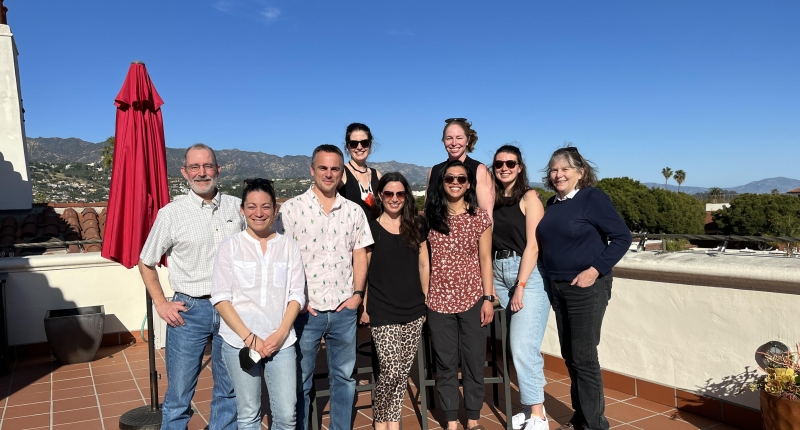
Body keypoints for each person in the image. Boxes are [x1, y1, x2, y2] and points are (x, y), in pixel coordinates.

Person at [138, 143, 242, 430]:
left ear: (218, 169)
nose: (201, 173)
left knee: (229, 388)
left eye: (207, 166)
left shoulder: (238, 207)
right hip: (189, 310)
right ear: (184, 172)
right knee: (179, 394)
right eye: (194, 167)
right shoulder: (171, 214)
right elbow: (145, 261)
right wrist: (161, 302)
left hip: (232, 308)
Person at [275, 144, 373, 430]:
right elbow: (282, 259)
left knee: (344, 378)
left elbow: (360, 254)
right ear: (312, 170)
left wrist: (357, 296)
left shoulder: (353, 211)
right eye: (323, 168)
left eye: (334, 169)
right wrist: (297, 300)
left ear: (342, 173)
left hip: (344, 309)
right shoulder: (292, 210)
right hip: (307, 311)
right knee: (301, 380)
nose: (329, 174)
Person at [537, 146, 632, 430]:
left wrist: (594, 271)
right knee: (570, 354)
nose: (558, 174)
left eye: (565, 169)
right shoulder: (551, 203)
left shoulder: (592, 198)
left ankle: (594, 424)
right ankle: (581, 415)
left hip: (586, 288)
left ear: (581, 172)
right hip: (558, 287)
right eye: (554, 169)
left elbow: (622, 237)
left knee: (584, 357)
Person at [210, 178, 306, 430]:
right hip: (239, 341)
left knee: (286, 416)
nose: (259, 213)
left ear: (276, 210)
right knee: (249, 414)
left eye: (266, 207)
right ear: (242, 210)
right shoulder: (230, 247)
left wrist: (281, 332)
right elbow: (221, 298)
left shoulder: (289, 247)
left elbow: (297, 295)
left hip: (281, 342)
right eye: (252, 206)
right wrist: (250, 338)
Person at [425, 160, 495, 430]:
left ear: (469, 184)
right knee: (445, 363)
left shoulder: (479, 218)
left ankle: (474, 419)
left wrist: (487, 298)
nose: (455, 183)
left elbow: (485, 258)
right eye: (449, 178)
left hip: (472, 298)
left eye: (461, 179)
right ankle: (452, 420)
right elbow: (423, 260)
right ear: (441, 182)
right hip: (438, 301)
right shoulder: (430, 217)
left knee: (474, 361)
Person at [360, 172, 429, 430]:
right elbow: (364, 269)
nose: (394, 198)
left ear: (406, 196)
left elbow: (424, 264)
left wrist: (424, 300)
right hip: (382, 308)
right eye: (389, 193)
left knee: (401, 373)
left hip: (413, 308)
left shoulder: (417, 226)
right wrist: (364, 305)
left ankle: (393, 423)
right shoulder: (370, 228)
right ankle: (381, 422)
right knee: (390, 370)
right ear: (380, 195)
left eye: (400, 194)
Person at [491, 145, 550, 430]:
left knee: (523, 346)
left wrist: (521, 286)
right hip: (496, 271)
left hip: (526, 274)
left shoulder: (529, 198)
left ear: (520, 167)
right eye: (499, 163)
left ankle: (538, 415)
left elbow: (534, 245)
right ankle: (529, 410)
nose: (504, 167)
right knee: (515, 346)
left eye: (510, 163)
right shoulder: (492, 200)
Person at [426, 118, 495, 220]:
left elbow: (487, 218)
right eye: (449, 138)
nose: (454, 143)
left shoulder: (479, 170)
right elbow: (427, 208)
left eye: (459, 138)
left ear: (468, 140)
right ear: (443, 141)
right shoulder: (434, 171)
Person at [338, 122, 383, 219]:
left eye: (364, 143)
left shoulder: (378, 175)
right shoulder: (341, 173)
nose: (359, 147)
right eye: (354, 143)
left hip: (375, 233)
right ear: (347, 146)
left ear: (370, 144)